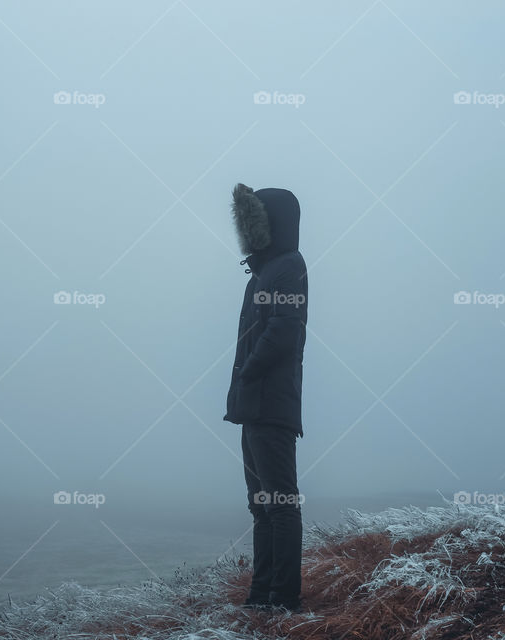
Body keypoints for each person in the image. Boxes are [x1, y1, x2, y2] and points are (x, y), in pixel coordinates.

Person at [223, 183, 308, 612]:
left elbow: (283, 329)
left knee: (280, 505)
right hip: (253, 407)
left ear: (270, 224)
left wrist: (249, 373)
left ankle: (284, 599)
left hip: (271, 406)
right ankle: (261, 596)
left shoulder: (289, 266)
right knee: (261, 507)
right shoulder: (262, 272)